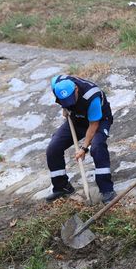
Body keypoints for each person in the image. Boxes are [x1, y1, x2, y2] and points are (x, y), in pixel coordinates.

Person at [45, 74, 115, 203]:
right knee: (53, 148)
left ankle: (107, 190)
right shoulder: (57, 83)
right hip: (76, 119)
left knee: (97, 147)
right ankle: (62, 187)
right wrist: (64, 107)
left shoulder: (92, 96)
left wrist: (83, 148)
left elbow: (93, 125)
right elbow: (62, 96)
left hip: (99, 121)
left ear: (76, 89)